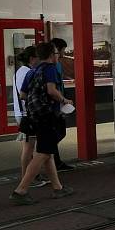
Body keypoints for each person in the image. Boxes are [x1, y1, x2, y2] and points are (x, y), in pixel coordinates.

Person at [10, 42, 74, 205]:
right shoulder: (50, 69)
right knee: (43, 153)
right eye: (57, 53)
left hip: (34, 116)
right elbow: (52, 90)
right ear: (52, 55)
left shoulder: (32, 72)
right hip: (48, 116)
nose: (59, 56)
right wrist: (64, 100)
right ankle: (21, 190)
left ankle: (58, 188)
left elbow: (23, 94)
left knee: (48, 152)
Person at [13, 45, 46, 187]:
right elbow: (26, 95)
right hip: (27, 114)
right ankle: (27, 178)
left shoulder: (20, 71)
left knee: (31, 148)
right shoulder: (28, 72)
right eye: (39, 57)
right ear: (33, 59)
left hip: (23, 113)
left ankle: (32, 175)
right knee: (28, 148)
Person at [50, 37, 74, 171]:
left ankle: (54, 160)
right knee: (57, 132)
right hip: (56, 103)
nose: (64, 52)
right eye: (63, 50)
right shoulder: (52, 66)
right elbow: (53, 87)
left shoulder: (57, 64)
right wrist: (63, 100)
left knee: (59, 132)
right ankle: (49, 157)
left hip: (58, 101)